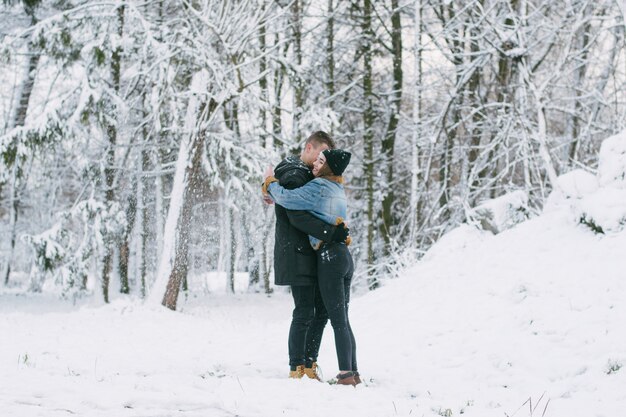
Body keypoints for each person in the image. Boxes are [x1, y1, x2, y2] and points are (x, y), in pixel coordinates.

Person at [262, 148, 360, 386]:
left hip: (329, 257)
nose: (316, 164)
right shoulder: (337, 188)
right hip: (344, 256)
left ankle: (346, 376)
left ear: (328, 167)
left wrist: (269, 182)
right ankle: (353, 373)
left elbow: (288, 198)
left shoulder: (319, 187)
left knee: (336, 320)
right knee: (342, 319)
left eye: (321, 161)